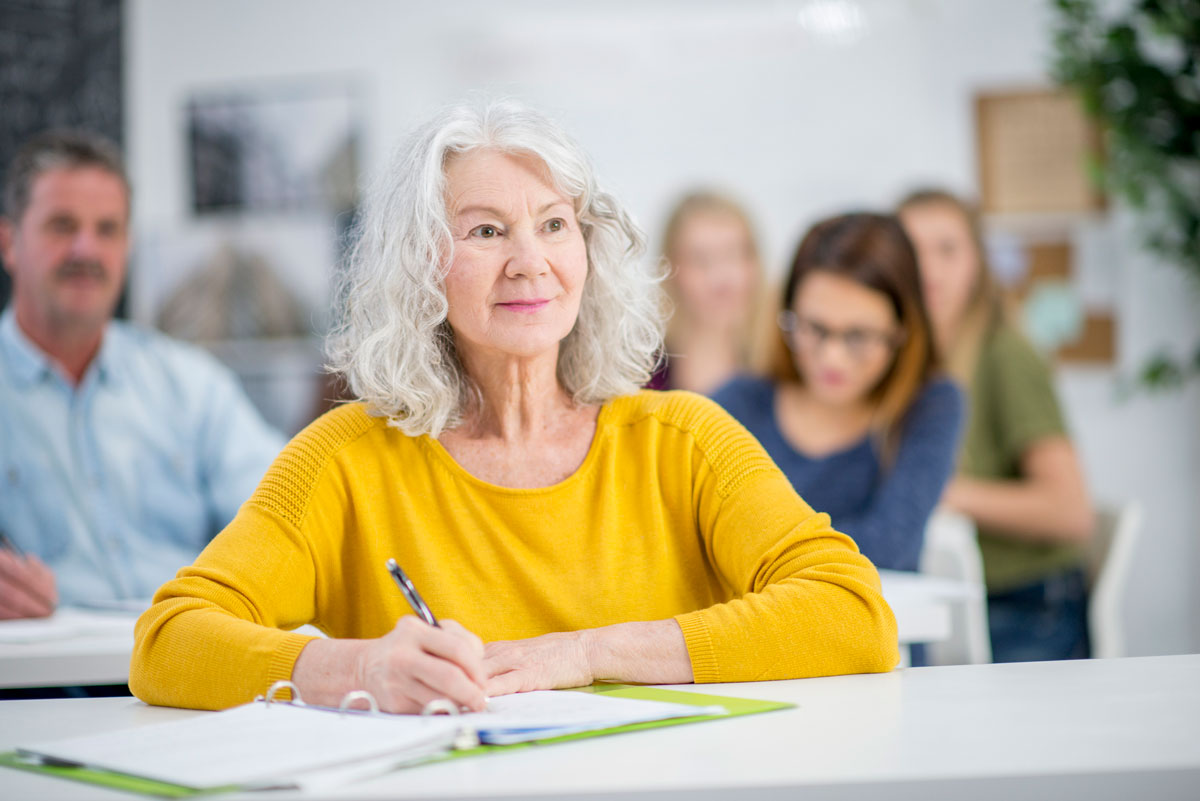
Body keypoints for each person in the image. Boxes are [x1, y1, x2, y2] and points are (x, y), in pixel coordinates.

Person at [130, 100, 899, 713]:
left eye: (554, 225)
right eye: (487, 230)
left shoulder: (685, 439)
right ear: (422, 264)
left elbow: (854, 615)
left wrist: (586, 652)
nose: (530, 262)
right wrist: (351, 664)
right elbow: (166, 644)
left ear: (587, 253)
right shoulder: (342, 458)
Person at [0, 131, 285, 620]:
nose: (85, 249)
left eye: (107, 229)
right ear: (9, 243)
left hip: (191, 669)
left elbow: (286, 516)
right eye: (61, 225)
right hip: (36, 688)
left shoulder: (193, 386)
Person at [897, 189, 1094, 663]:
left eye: (947, 249)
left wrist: (937, 489)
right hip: (944, 595)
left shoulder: (1005, 353)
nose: (928, 268)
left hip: (1025, 606)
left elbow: (1070, 511)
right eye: (910, 250)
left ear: (977, 263)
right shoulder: (904, 359)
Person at [713, 213, 963, 574]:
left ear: (902, 332)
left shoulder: (929, 405)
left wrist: (751, 547)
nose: (832, 358)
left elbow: (891, 547)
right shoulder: (737, 403)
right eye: (814, 328)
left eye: (858, 336)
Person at [648, 191, 763, 393]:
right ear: (670, 270)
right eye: (701, 260)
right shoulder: (642, 377)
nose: (722, 280)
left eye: (735, 255)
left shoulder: (781, 373)